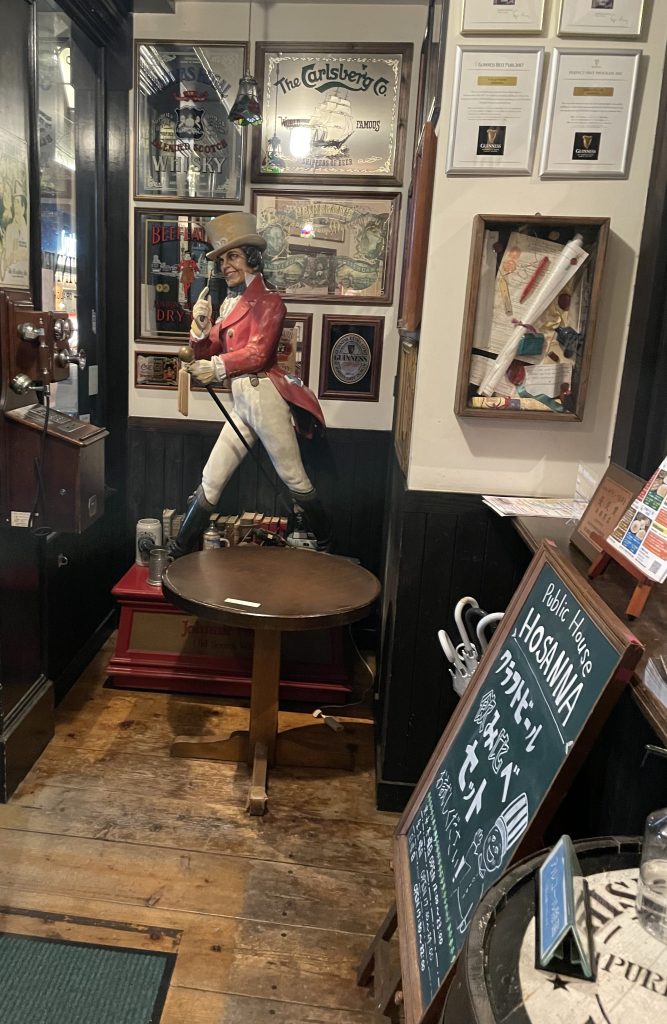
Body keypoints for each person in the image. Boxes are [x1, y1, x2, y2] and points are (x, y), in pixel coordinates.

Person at [169, 211, 331, 557]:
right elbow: (207, 349)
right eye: (222, 260)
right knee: (212, 477)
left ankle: (327, 543)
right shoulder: (230, 303)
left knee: (293, 476)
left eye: (233, 257)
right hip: (241, 402)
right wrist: (200, 326)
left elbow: (258, 353)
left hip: (264, 397)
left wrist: (217, 367)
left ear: (252, 259)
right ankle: (177, 549)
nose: (226, 266)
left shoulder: (270, 301)